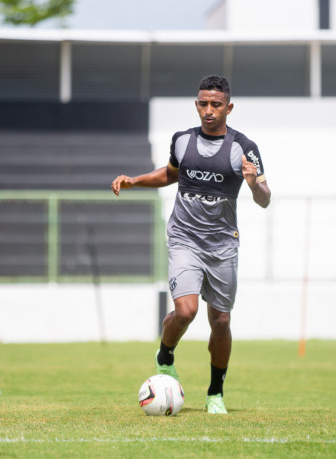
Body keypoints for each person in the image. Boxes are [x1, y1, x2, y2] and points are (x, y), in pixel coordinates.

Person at [111, 75, 271, 414]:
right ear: (197, 104)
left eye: (216, 104)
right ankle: (165, 355)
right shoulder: (183, 141)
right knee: (186, 310)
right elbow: (171, 174)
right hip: (184, 238)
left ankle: (215, 393)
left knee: (222, 321)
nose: (208, 110)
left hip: (223, 245)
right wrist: (135, 180)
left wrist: (254, 183)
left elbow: (264, 199)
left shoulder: (245, 148)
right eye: (203, 103)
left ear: (229, 107)